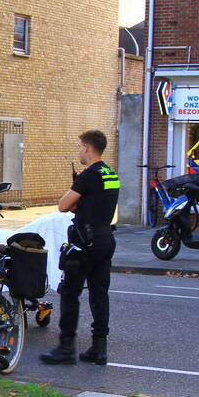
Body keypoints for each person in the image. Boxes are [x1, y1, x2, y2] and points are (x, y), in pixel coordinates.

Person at [40, 130, 119, 367]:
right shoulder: (111, 173)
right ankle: (99, 347)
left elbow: (63, 206)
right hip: (105, 238)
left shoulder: (89, 175)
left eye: (79, 146)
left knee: (70, 293)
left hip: (85, 242)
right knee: (99, 293)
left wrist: (76, 194)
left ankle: (66, 348)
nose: (79, 151)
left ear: (87, 147)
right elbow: (99, 204)